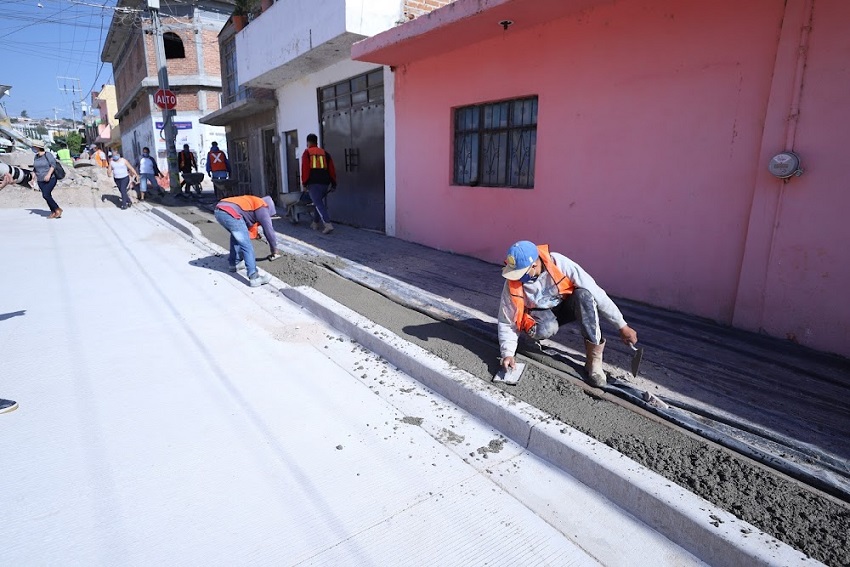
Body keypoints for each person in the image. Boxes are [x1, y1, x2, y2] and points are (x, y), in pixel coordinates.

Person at [498, 240, 638, 388]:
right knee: (545, 328)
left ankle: (594, 361)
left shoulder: (559, 263)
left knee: (585, 295)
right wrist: (508, 353)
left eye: (520, 274)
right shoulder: (512, 284)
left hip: (566, 306)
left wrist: (622, 325)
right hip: (540, 315)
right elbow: (507, 320)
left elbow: (597, 293)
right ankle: (532, 337)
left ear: (534, 265)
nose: (516, 278)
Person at [213, 195, 279, 287]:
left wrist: (255, 234)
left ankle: (234, 264)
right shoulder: (263, 207)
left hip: (220, 209)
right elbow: (269, 230)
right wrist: (274, 249)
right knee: (246, 245)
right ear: (269, 208)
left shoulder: (254, 204)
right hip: (229, 212)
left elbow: (248, 227)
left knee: (236, 236)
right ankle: (254, 277)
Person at [300, 133, 337, 234]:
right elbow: (331, 170)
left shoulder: (307, 153)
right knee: (318, 201)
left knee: (318, 203)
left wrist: (304, 183)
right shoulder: (325, 153)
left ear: (308, 142)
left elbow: (305, 169)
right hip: (325, 183)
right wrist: (333, 183)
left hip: (313, 183)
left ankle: (327, 224)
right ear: (316, 142)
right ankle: (315, 223)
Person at [31, 140, 63, 219]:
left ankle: (57, 209)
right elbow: (35, 168)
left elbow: (53, 165)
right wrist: (33, 178)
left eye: (34, 147)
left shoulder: (47, 155)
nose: (33, 148)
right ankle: (53, 212)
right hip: (40, 180)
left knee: (46, 194)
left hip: (50, 178)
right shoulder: (36, 157)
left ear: (38, 147)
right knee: (46, 196)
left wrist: (48, 174)